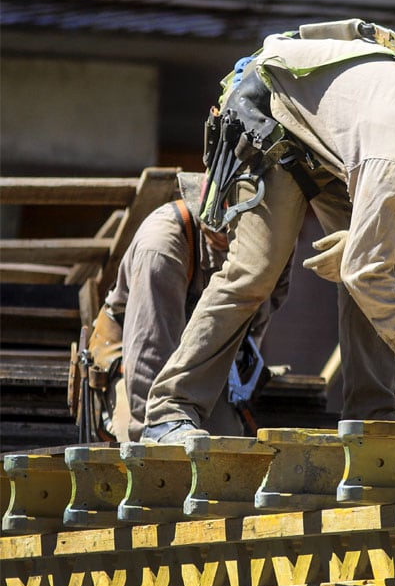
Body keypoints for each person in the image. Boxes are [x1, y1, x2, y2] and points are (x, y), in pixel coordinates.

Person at [141, 18, 395, 443]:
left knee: (385, 259)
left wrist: (365, 237)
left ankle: (373, 420)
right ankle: (169, 411)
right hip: (273, 115)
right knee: (256, 272)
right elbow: (366, 273)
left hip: (344, 144)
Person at [77, 172, 288, 442]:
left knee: (227, 447)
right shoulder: (162, 246)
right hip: (135, 366)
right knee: (151, 447)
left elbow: (260, 314)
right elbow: (147, 356)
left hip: (200, 362)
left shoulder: (273, 241)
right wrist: (152, 440)